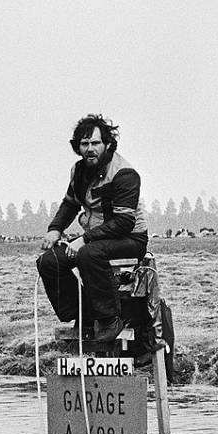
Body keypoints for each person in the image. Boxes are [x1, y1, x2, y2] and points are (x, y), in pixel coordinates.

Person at [37, 114, 148, 340]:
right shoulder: (78, 171)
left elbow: (124, 222)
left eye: (95, 143)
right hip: (97, 238)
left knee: (89, 254)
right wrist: (55, 229)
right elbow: (70, 203)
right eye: (84, 144)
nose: (90, 149)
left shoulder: (124, 174)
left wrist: (84, 240)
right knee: (49, 261)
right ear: (77, 147)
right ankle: (82, 314)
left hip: (130, 238)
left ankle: (109, 319)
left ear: (107, 144)